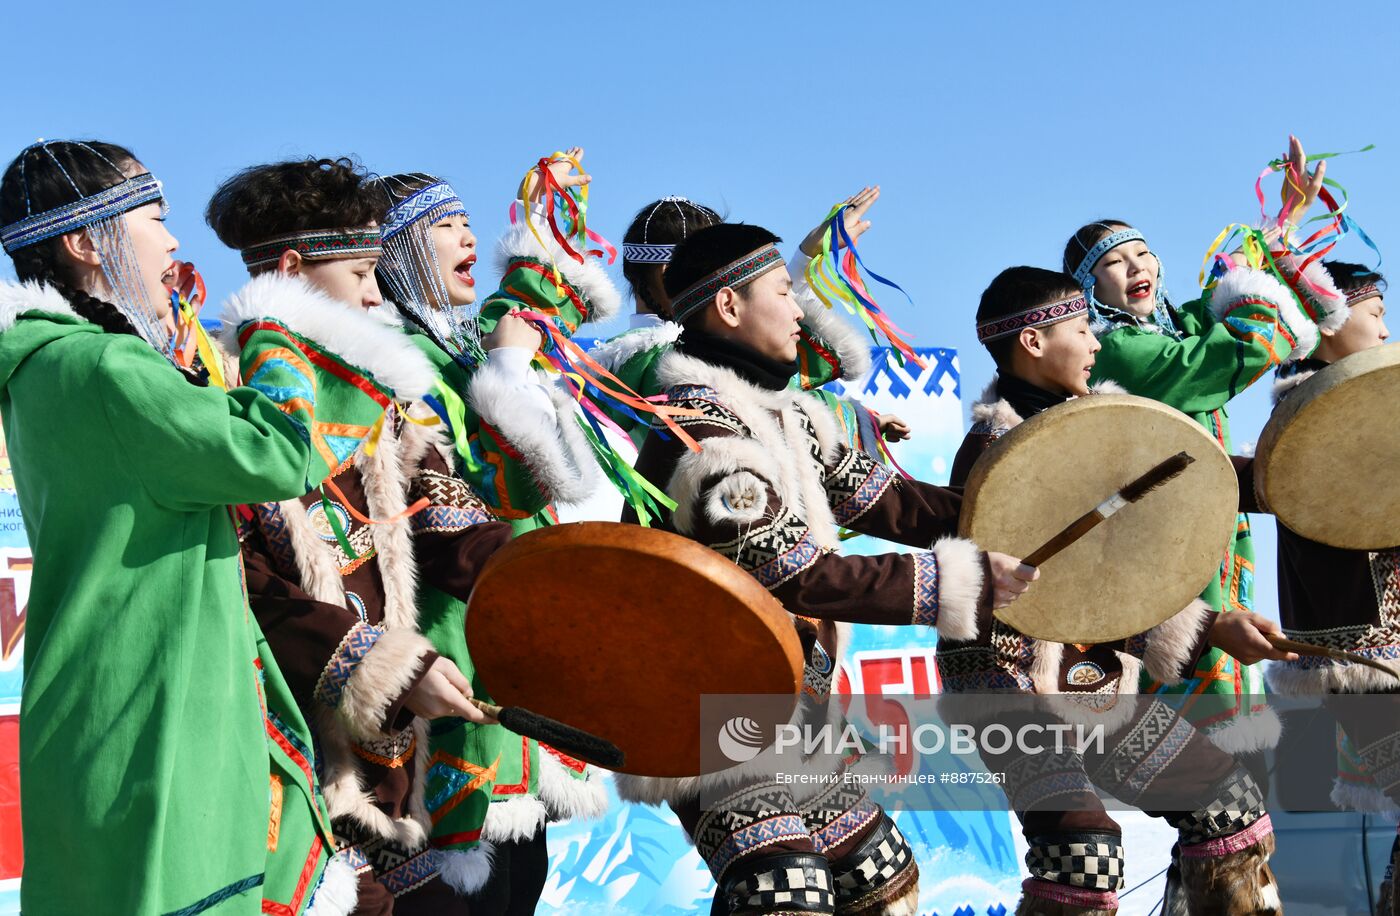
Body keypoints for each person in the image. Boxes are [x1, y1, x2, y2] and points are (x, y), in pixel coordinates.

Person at [0, 140, 436, 915]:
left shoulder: (44, 370)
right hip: (153, 699)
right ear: (82, 242)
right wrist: (279, 338)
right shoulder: (105, 370)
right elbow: (277, 450)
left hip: (100, 698)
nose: (172, 243)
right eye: (155, 219)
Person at [615, 221, 1038, 915]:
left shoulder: (789, 416)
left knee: (879, 880)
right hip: (701, 711)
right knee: (786, 892)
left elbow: (897, 504)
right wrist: (960, 582)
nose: (799, 311)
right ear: (729, 308)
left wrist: (1029, 504)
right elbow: (796, 574)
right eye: (784, 292)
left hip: (788, 710)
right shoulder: (704, 432)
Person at [206, 157, 526, 914]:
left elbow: (458, 533)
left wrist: (567, 585)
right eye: (360, 273)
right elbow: (240, 586)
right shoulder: (217, 403)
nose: (377, 296)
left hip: (388, 770)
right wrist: (379, 662)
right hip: (284, 767)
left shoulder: (383, 409)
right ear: (291, 270)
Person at [944, 265, 1294, 915]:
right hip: (1008, 683)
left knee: (1228, 810)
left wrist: (1301, 474)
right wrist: (1210, 626)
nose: (1098, 342)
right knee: (1084, 857)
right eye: (1083, 328)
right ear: (1034, 343)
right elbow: (1056, 591)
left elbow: (1170, 508)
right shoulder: (997, 454)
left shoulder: (1101, 431)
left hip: (1088, 678)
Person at [367, 153, 615, 914]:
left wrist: (547, 227)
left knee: (520, 879)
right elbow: (490, 492)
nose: (468, 237)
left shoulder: (459, 346)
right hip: (448, 642)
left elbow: (551, 302)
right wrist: (508, 367)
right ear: (396, 251)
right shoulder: (395, 364)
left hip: (509, 632)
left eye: (471, 222)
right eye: (445, 226)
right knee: (466, 885)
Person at [1059, 139, 1329, 754]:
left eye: (1143, 252)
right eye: (1115, 262)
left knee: (1229, 653)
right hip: (1165, 527)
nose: (1136, 266)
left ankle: (1225, 823)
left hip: (1210, 517)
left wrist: (1281, 220)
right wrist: (1251, 311)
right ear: (1089, 288)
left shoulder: (1171, 323)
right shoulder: (1118, 347)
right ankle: (1204, 806)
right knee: (1192, 659)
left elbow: (1235, 281)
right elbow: (1226, 354)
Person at [1261, 259, 1398, 915]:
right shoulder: (1310, 416)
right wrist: (1291, 254)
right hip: (1364, 659)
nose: (1385, 330)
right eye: (1375, 316)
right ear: (1328, 324)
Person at [591, 189, 907, 452]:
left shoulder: (624, 364)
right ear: (667, 274)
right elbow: (770, 399)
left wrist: (806, 258)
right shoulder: (656, 362)